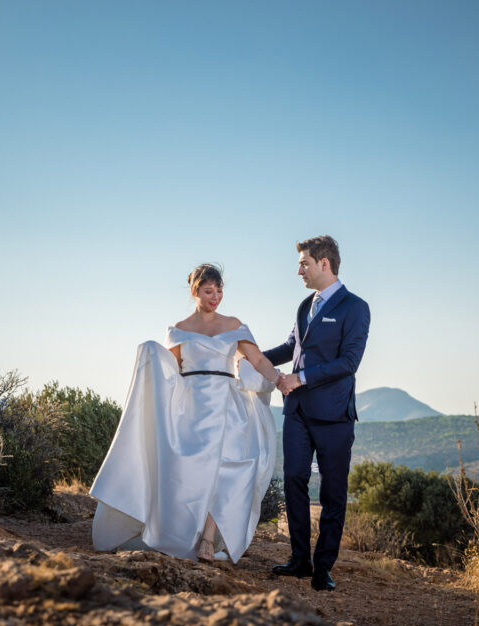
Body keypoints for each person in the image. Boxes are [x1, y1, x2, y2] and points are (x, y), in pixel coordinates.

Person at [89, 264, 279, 564]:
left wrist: (280, 379)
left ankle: (207, 539)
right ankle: (179, 532)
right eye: (208, 291)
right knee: (190, 473)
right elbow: (170, 373)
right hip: (193, 407)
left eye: (219, 291)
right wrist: (151, 355)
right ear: (195, 292)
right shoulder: (178, 330)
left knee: (231, 467)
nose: (215, 297)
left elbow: (258, 359)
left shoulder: (234, 325)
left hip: (229, 404)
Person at [263, 235, 370, 592]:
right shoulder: (304, 305)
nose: (299, 271)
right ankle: (299, 560)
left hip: (334, 416)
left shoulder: (356, 307)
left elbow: (349, 362)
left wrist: (300, 378)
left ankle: (323, 568)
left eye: (304, 263)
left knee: (332, 493)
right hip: (296, 414)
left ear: (324, 264)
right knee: (293, 480)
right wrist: (249, 355)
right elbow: (291, 347)